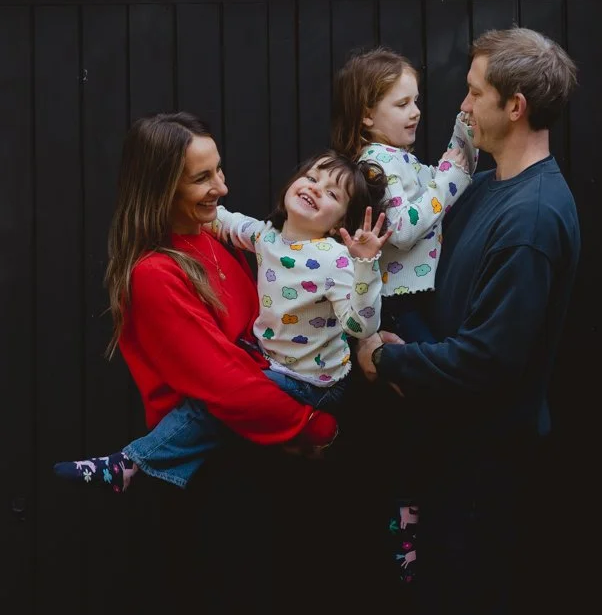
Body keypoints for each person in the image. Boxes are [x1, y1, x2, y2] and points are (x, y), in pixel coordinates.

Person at [354, 27, 581, 615]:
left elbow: (487, 361)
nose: (462, 105)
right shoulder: (486, 192)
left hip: (482, 468)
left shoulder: (533, 217)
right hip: (446, 456)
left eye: (475, 92)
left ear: (513, 106)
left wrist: (384, 360)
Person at [52, 115, 366, 494]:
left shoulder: (210, 238)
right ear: (162, 188)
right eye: (202, 178)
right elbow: (225, 384)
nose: (222, 186)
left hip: (261, 448)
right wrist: (314, 426)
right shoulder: (154, 273)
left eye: (218, 170)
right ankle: (131, 464)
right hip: (210, 469)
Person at [330, 45, 477, 578]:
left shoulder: (400, 160)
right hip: (395, 308)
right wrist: (453, 177)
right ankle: (406, 537)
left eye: (417, 101)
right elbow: (406, 224)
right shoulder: (372, 166)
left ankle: (417, 525)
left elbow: (435, 182)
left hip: (418, 303)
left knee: (424, 421)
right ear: (367, 113)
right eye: (401, 103)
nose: (415, 112)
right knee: (417, 418)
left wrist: (459, 147)